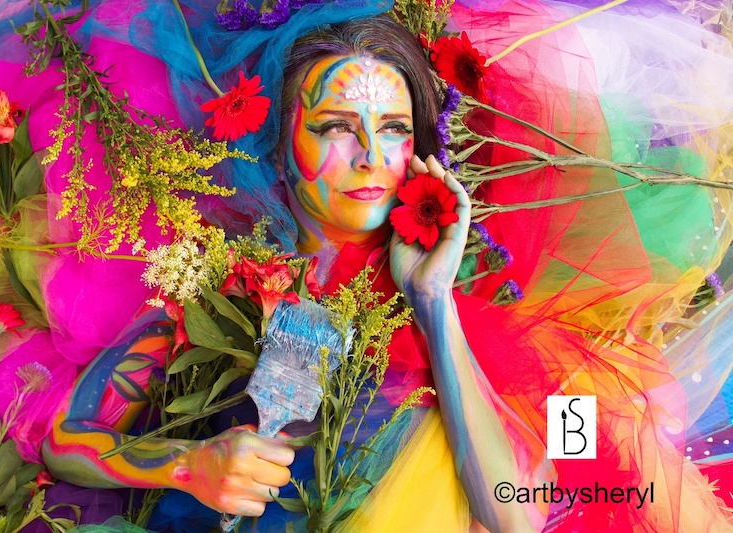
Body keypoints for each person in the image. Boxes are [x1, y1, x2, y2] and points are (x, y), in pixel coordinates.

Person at [40, 5, 733, 533]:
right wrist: (187, 464)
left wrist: (433, 304)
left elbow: (518, 513)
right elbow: (65, 439)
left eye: (395, 128)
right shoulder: (221, 286)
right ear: (280, 150)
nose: (371, 153)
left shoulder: (496, 304)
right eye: (337, 126)